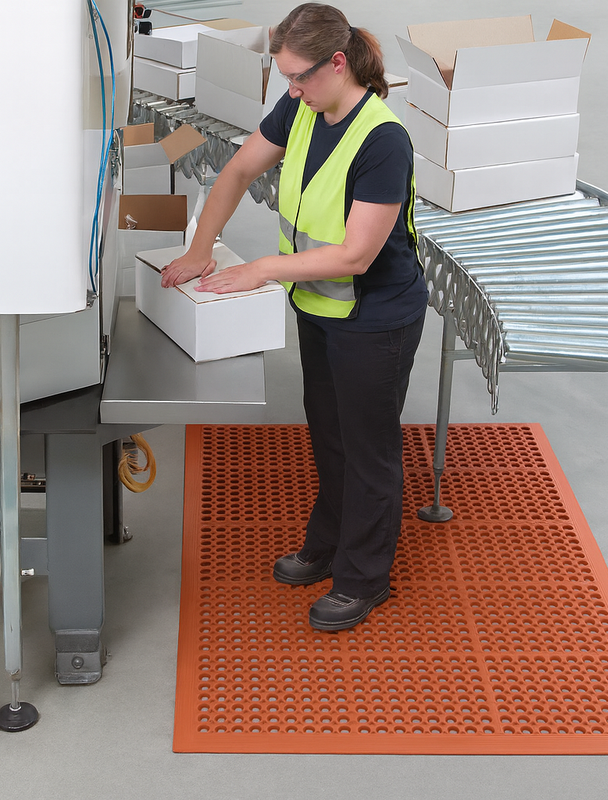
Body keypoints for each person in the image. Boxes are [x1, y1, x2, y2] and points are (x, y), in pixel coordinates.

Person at [161, 3, 428, 631]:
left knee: (369, 450)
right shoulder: (303, 107)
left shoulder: (383, 139)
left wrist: (259, 270)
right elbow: (239, 168)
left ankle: (364, 579)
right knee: (328, 432)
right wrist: (201, 249)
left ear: (338, 63)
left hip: (375, 316)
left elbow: (358, 253)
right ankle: (329, 543)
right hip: (319, 305)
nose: (291, 90)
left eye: (300, 77)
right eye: (285, 79)